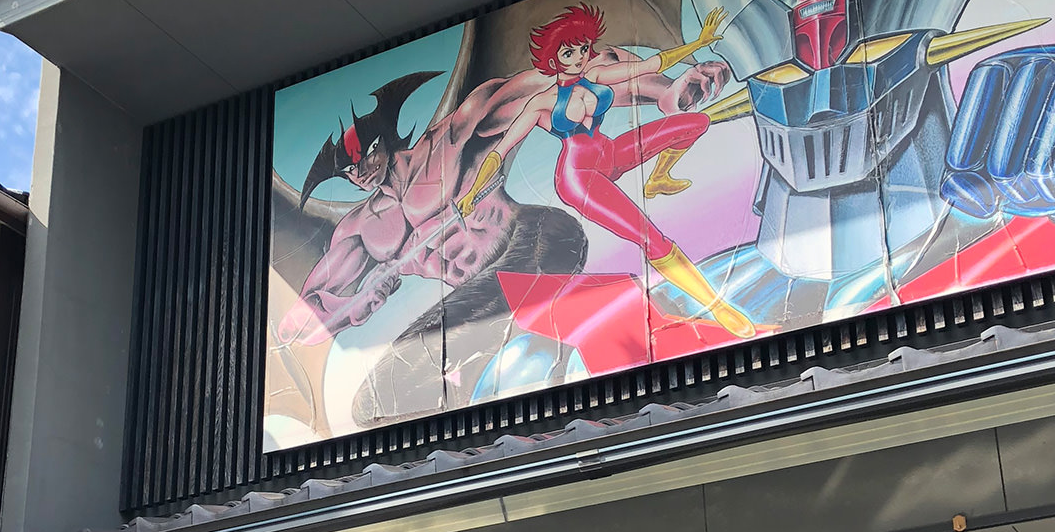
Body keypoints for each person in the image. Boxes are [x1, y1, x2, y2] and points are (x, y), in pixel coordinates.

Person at [281, 42, 731, 423]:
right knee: (381, 394)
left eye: (364, 155)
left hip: (536, 238)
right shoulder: (362, 228)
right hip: (490, 299)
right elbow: (317, 304)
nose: (359, 172)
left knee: (451, 327)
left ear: (385, 137)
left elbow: (554, 84)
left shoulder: (449, 141)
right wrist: (322, 317)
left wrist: (665, 89)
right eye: (348, 170)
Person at [458, 2, 755, 338]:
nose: (579, 57)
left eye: (583, 49)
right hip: (579, 177)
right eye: (569, 52)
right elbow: (499, 152)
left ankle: (658, 178)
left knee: (694, 122)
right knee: (651, 238)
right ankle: (719, 307)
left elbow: (651, 65)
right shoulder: (540, 104)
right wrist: (473, 193)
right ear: (553, 59)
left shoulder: (595, 77)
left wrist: (699, 43)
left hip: (609, 153)